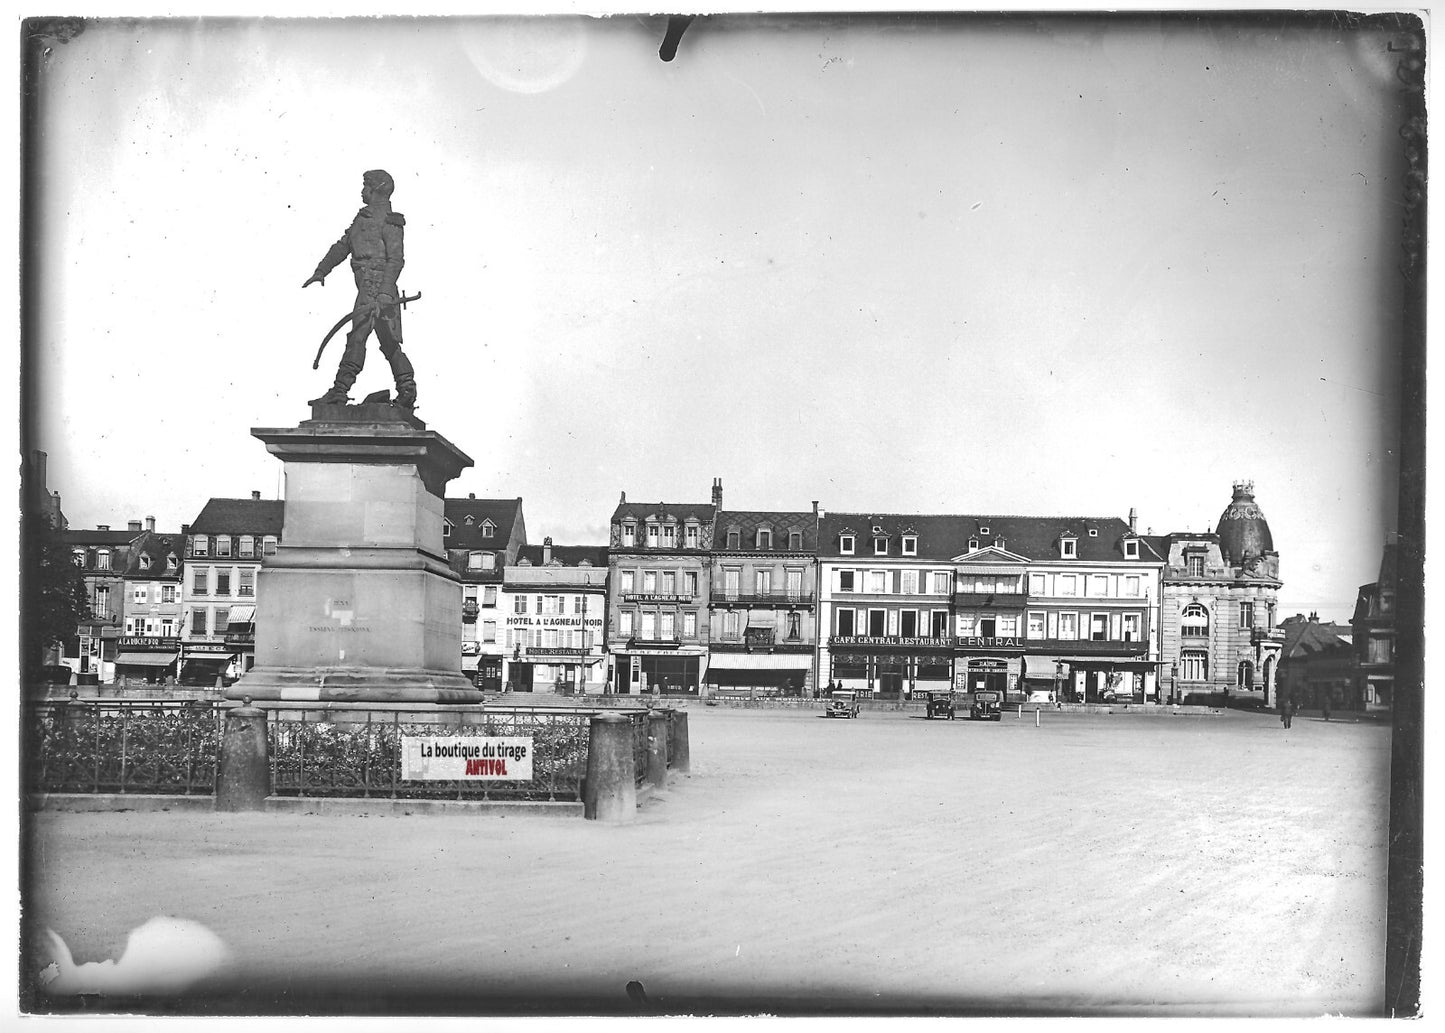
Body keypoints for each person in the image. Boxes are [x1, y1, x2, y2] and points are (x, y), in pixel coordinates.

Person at [304, 169, 417, 409]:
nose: (363, 191)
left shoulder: (390, 221)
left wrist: (385, 293)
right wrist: (321, 271)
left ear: (377, 189)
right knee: (386, 342)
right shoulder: (362, 218)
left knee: (359, 338)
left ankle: (340, 391)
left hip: (377, 287)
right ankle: (407, 389)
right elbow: (343, 245)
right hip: (367, 285)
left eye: (366, 186)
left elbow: (396, 260)